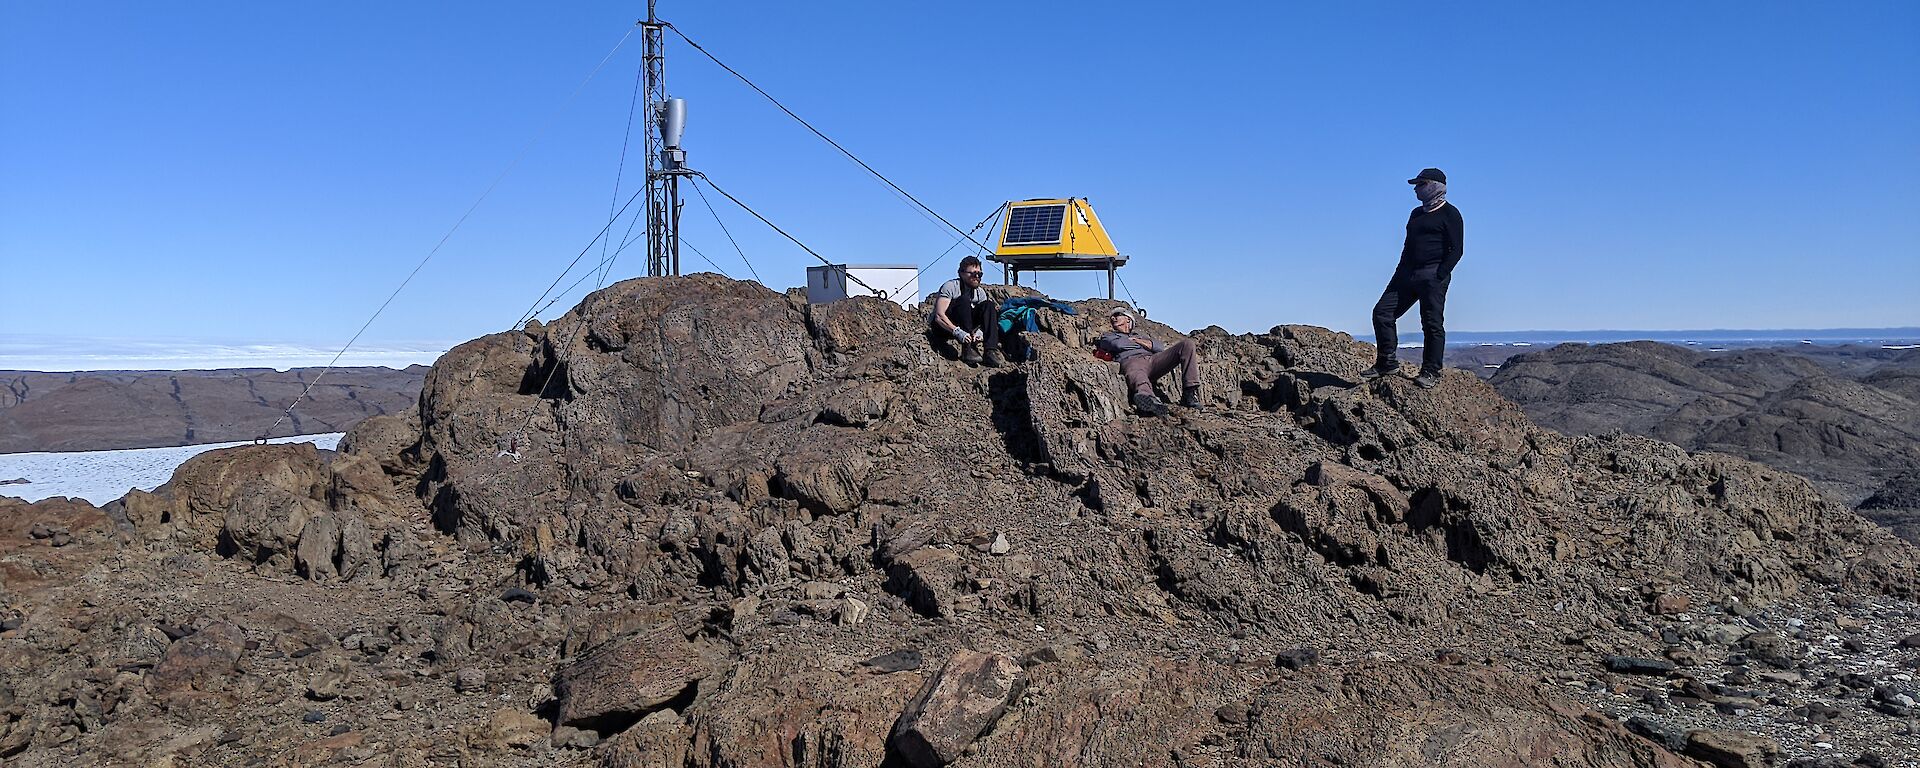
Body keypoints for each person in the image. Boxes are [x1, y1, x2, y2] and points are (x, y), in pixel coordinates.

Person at [1363, 167, 1464, 389]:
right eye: (1416, 186)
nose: (1417, 189)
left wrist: (1439, 274)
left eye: (1421, 184)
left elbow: (1456, 250)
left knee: (1431, 324)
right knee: (1382, 313)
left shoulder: (1451, 214)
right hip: (1406, 274)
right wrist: (1401, 270)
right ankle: (1386, 362)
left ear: (1436, 186)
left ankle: (1431, 371)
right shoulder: (1416, 214)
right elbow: (1408, 246)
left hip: (1433, 275)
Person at [1095, 307, 1200, 416]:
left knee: (1187, 344)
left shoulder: (1139, 336)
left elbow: (1159, 347)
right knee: (1138, 374)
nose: (1113, 318)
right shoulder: (1108, 336)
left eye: (1117, 315)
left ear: (1128, 319)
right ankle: (1149, 400)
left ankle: (1189, 393)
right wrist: (1146, 345)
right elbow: (1118, 344)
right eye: (1112, 317)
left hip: (1153, 360)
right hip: (1132, 360)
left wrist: (1137, 340)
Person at [929, 256, 1003, 367]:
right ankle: (967, 349)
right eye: (973, 274)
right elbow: (939, 316)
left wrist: (980, 332)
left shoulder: (980, 293)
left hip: (966, 326)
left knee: (989, 305)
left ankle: (990, 350)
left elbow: (984, 316)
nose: (977, 277)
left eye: (980, 274)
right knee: (963, 300)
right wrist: (957, 332)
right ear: (961, 273)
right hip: (944, 327)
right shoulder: (950, 286)